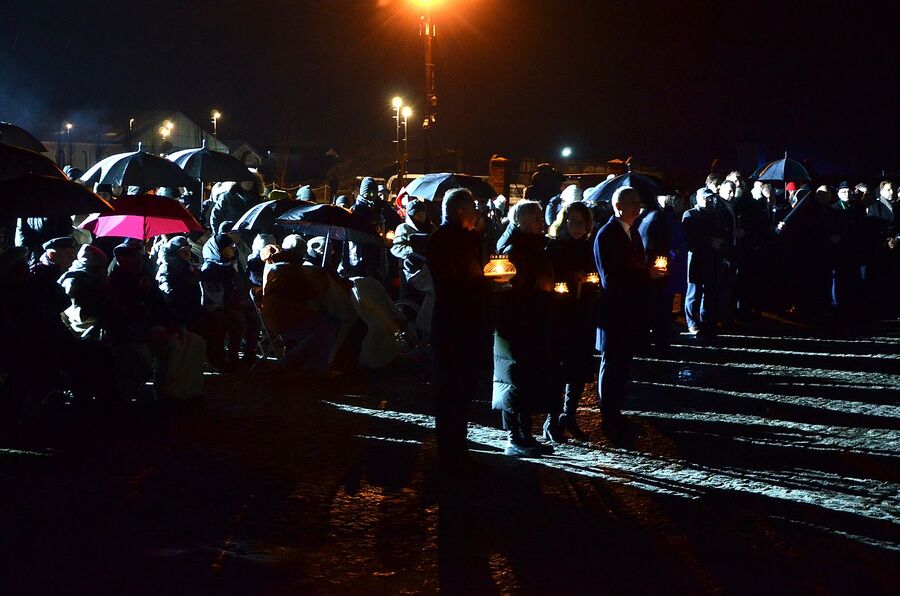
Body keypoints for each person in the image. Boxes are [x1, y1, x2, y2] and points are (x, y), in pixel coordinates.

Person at [426, 188, 492, 472]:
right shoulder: (443, 240)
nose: (477, 213)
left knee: (463, 390)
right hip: (455, 324)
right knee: (452, 389)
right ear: (460, 211)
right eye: (473, 208)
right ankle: (448, 453)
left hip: (468, 324)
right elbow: (451, 282)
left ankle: (457, 449)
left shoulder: (470, 238)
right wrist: (484, 284)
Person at [492, 200, 556, 455]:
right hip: (515, 323)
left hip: (532, 320)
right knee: (513, 379)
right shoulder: (512, 248)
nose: (541, 220)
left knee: (526, 380)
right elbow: (508, 287)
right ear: (520, 220)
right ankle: (514, 436)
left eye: (541, 215)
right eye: (535, 216)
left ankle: (526, 432)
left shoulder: (537, 246)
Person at [594, 187, 656, 424]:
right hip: (615, 311)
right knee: (612, 363)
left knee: (623, 364)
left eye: (638, 202)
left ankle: (616, 408)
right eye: (632, 203)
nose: (637, 207)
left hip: (630, 310)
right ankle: (609, 412)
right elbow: (611, 277)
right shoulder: (607, 234)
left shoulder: (633, 232)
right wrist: (645, 276)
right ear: (618, 206)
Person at [546, 201, 596, 440]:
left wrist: (590, 284)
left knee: (578, 369)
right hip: (560, 317)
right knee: (558, 370)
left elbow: (595, 277)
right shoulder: (555, 247)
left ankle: (569, 415)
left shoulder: (588, 247)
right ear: (564, 222)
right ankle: (552, 419)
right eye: (572, 221)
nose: (577, 227)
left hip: (582, 315)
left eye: (581, 222)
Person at [200, 232, 260, 370]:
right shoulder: (210, 269)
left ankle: (249, 353)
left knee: (254, 316)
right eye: (230, 246)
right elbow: (213, 297)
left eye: (233, 245)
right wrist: (233, 304)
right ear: (219, 250)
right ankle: (231, 356)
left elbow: (243, 284)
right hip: (217, 309)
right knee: (238, 320)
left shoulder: (231, 264)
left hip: (234, 304)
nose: (234, 248)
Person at [682, 188, 730, 336]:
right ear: (699, 198)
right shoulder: (690, 214)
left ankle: (706, 320)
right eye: (707, 198)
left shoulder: (715, 214)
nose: (710, 201)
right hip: (696, 258)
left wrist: (720, 241)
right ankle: (692, 323)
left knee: (709, 291)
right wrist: (710, 242)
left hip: (712, 258)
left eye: (711, 198)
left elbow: (723, 231)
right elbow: (690, 238)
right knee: (694, 292)